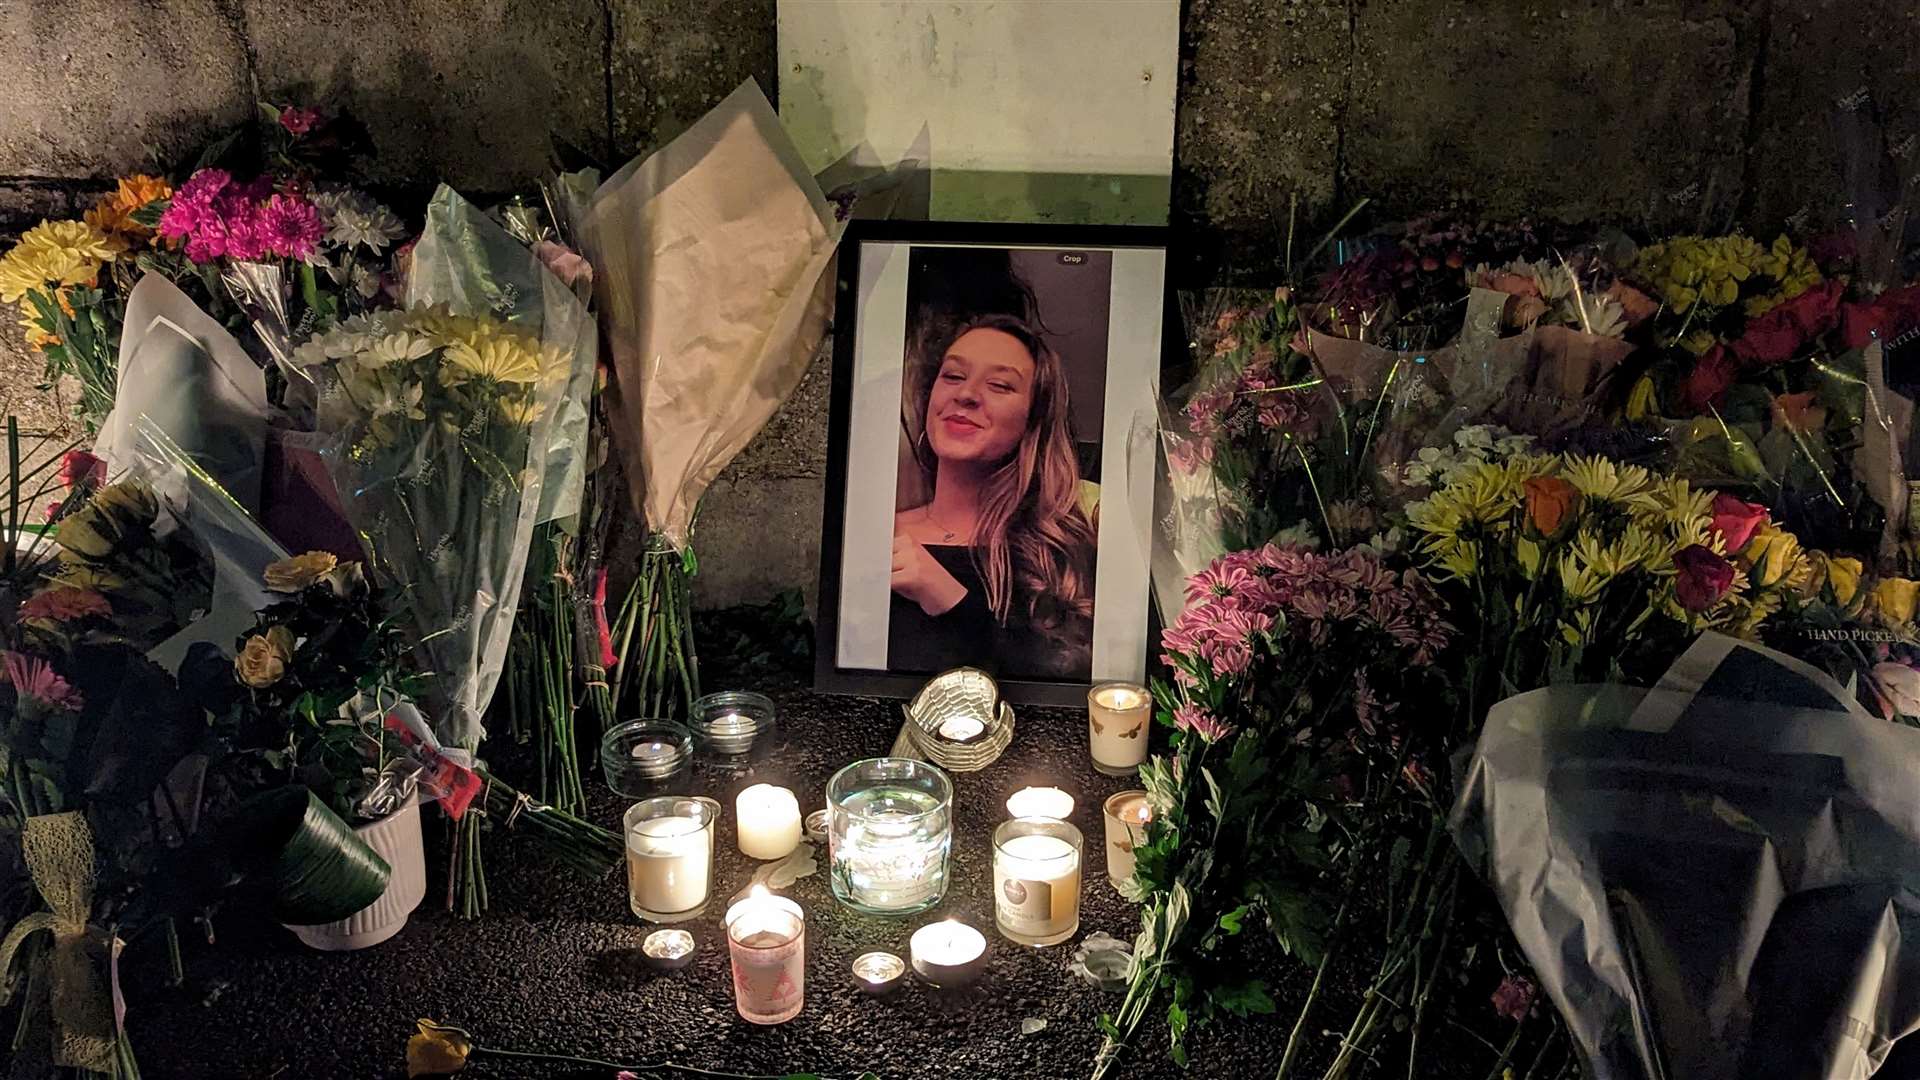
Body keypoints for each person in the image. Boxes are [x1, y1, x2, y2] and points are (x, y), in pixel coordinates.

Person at [888, 313, 1099, 681]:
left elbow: (1071, 683)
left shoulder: (1060, 546)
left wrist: (948, 598)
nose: (966, 395)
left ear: (1034, 420)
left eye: (1000, 385)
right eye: (952, 376)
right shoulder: (880, 533)